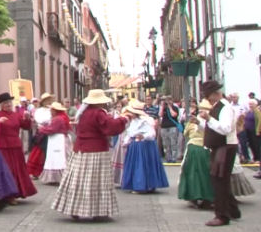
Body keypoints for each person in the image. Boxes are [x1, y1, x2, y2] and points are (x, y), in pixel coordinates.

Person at [52, 89, 132, 221]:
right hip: (96, 151)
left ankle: (75, 208)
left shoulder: (83, 112)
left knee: (78, 180)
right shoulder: (98, 113)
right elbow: (110, 127)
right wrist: (124, 119)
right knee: (97, 181)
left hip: (80, 150)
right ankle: (98, 210)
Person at [198, 81, 240, 227]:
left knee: (219, 180)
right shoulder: (218, 107)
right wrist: (201, 122)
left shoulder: (225, 108)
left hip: (225, 146)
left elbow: (225, 129)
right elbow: (214, 127)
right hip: (220, 146)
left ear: (216, 93)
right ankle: (233, 210)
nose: (208, 99)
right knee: (220, 179)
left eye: (208, 96)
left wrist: (209, 119)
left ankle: (222, 215)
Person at [0, 92, 37, 202]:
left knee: (18, 170)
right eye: (6, 103)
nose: (8, 105)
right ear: (1, 105)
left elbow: (26, 126)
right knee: (7, 170)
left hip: (16, 146)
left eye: (9, 103)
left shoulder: (16, 114)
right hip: (3, 147)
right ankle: (7, 194)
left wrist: (27, 119)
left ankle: (16, 192)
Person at [121, 100, 168, 193]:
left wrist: (143, 136)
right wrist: (126, 142)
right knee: (137, 166)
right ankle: (138, 185)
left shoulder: (145, 121)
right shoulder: (133, 122)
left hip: (144, 146)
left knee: (141, 166)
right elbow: (130, 134)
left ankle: (143, 186)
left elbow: (151, 134)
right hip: (135, 146)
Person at [179, 99, 214, 209]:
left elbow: (187, 133)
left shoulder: (210, 121)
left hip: (205, 148)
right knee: (193, 172)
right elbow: (186, 133)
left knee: (202, 173)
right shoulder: (197, 121)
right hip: (195, 148)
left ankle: (204, 197)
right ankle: (195, 196)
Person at [38, 102, 71, 185]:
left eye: (51, 110)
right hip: (58, 140)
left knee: (58, 159)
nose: (50, 112)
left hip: (58, 140)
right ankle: (58, 178)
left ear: (55, 111)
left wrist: (42, 129)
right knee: (58, 159)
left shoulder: (58, 119)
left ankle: (59, 178)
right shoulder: (61, 117)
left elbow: (52, 130)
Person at [26, 92, 55, 178]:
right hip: (42, 134)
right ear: (43, 102)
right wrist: (49, 120)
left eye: (50, 100)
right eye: (47, 100)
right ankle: (36, 172)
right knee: (40, 152)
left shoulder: (53, 109)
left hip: (52, 133)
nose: (49, 102)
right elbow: (40, 120)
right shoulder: (39, 111)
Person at [159, 96, 182, 163]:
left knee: (173, 142)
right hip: (164, 127)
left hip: (173, 126)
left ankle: (174, 158)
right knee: (166, 143)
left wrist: (170, 107)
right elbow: (160, 115)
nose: (168, 101)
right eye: (167, 100)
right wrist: (162, 106)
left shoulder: (175, 108)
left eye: (169, 100)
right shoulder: (163, 108)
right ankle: (168, 158)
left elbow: (174, 115)